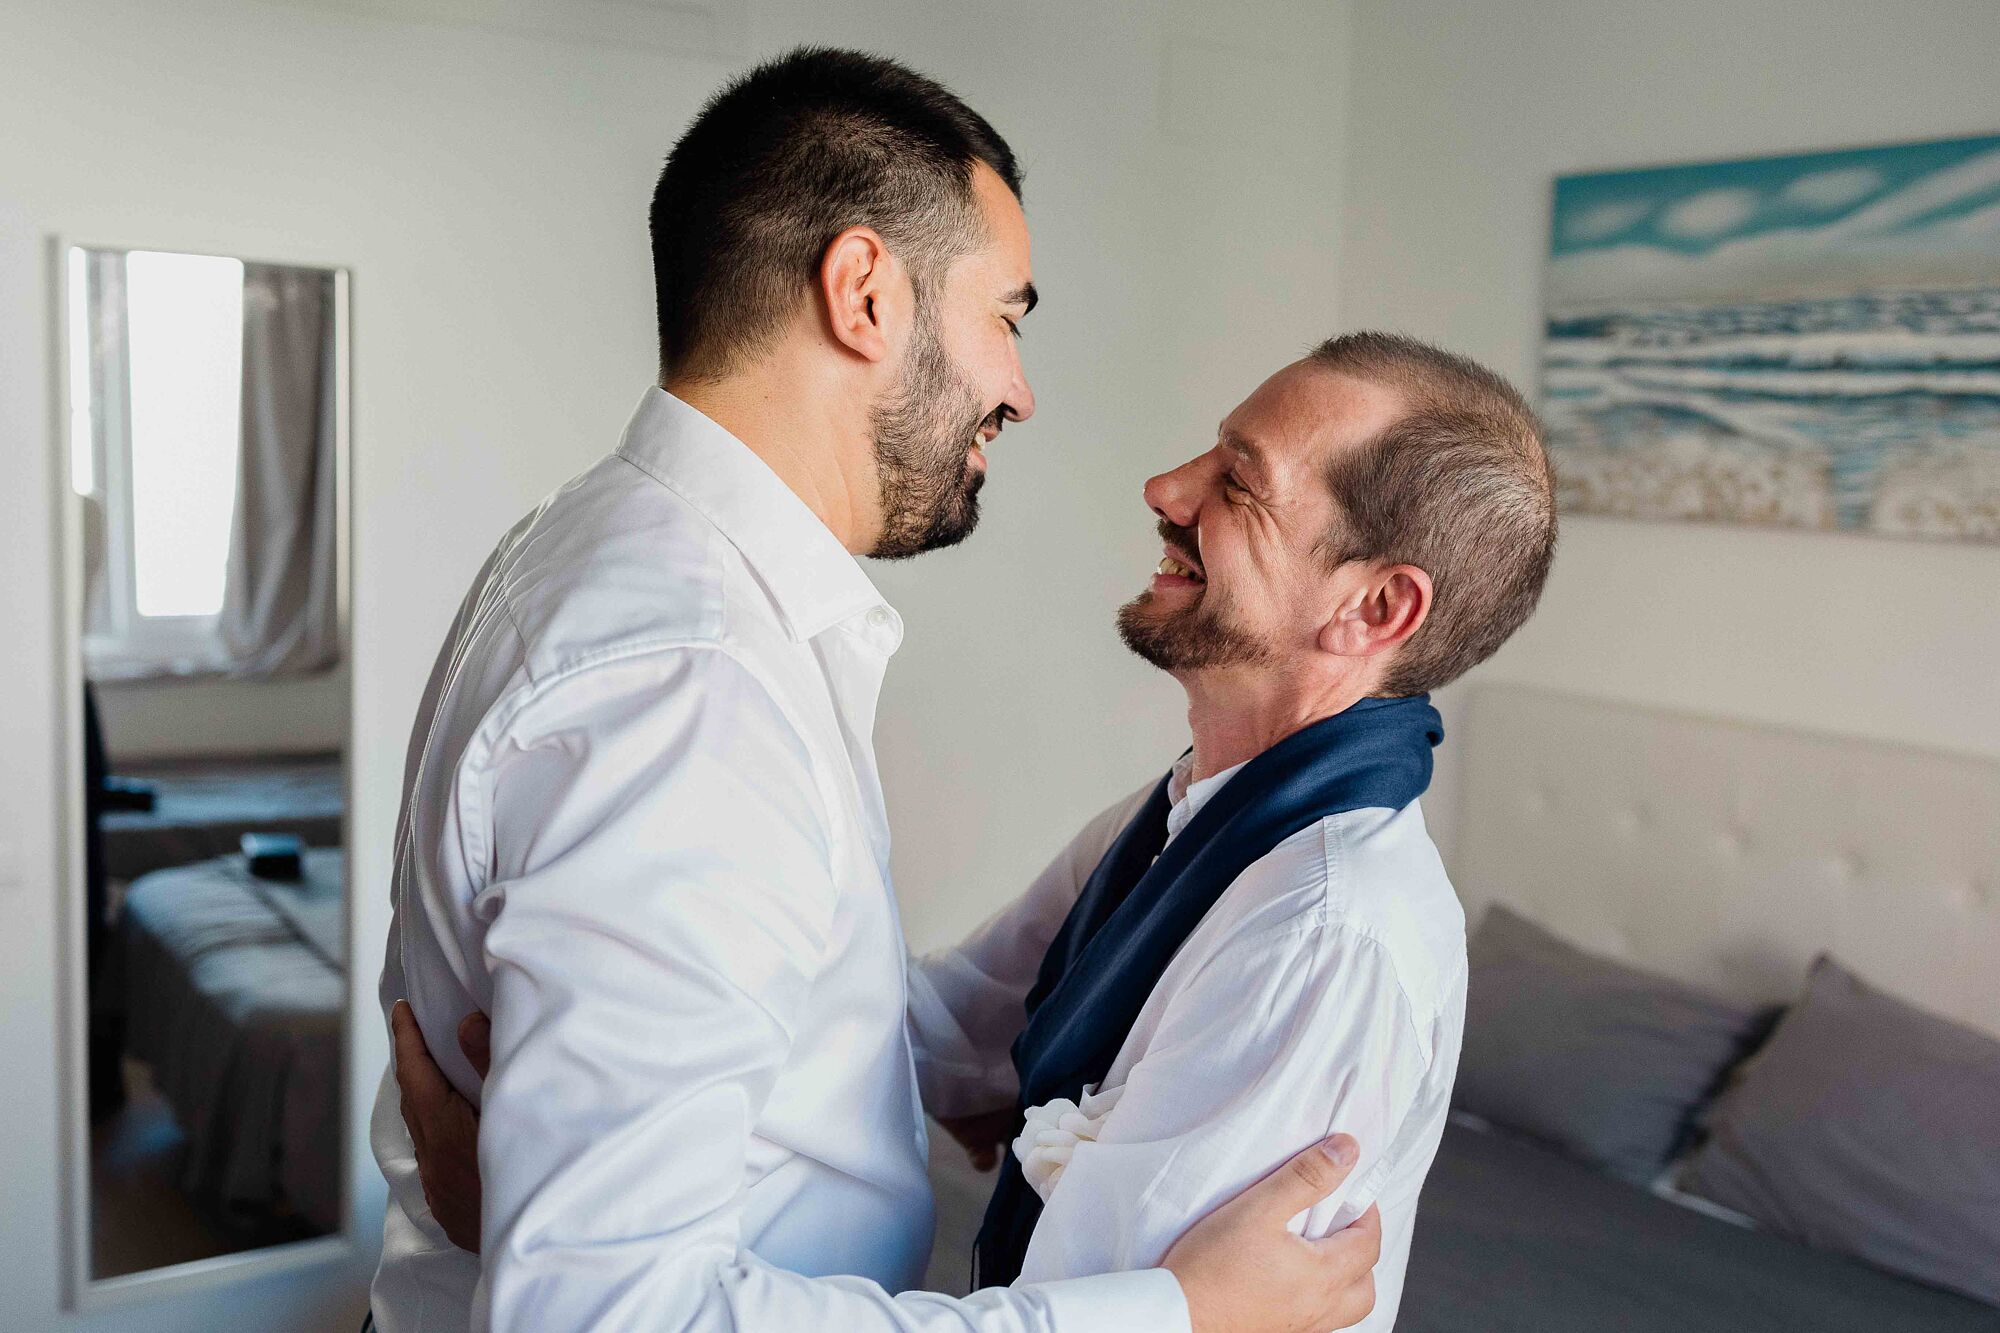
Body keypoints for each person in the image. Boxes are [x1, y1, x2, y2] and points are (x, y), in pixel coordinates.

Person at [368, 46, 1382, 1333]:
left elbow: (781, 1007)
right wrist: (1170, 1315)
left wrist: (1162, 858)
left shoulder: (598, 548)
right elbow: (605, 1318)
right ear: (863, 294)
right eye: (1005, 315)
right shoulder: (693, 683)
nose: (1017, 387)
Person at [397, 333, 1557, 1330]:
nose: (1164, 486)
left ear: (1374, 607)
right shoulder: (1180, 820)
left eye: (1235, 483)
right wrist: (594, 1083)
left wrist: (534, 1223)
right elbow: (945, 1037)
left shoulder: (1321, 935)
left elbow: (1103, 1302)